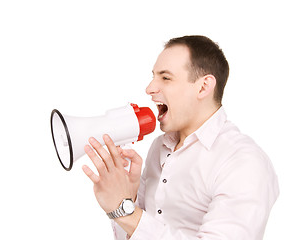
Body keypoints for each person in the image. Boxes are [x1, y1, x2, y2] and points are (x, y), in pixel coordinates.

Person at [82, 35, 279, 240]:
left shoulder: (243, 161)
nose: (149, 89)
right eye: (153, 76)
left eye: (165, 78)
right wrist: (127, 198)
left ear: (203, 87)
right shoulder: (160, 146)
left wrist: (126, 212)